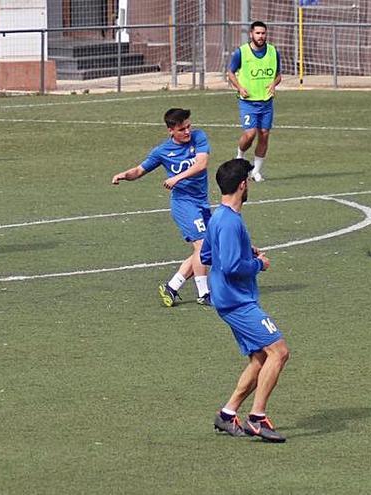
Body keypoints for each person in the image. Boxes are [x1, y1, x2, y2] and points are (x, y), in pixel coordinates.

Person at [202, 158, 290, 443]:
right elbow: (229, 267)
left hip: (229, 299)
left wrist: (242, 248)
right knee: (279, 352)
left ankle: (227, 414)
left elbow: (205, 255)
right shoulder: (228, 223)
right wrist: (258, 264)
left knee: (260, 357)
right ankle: (257, 417)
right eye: (248, 180)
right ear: (242, 185)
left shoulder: (219, 217)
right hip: (237, 301)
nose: (249, 184)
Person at [112, 108, 212, 306]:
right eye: (182, 129)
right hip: (183, 204)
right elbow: (140, 170)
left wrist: (176, 177)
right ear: (170, 130)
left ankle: (172, 287)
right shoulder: (162, 152)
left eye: (188, 127)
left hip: (201, 202)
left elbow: (202, 164)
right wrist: (123, 175)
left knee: (209, 249)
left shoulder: (199, 137)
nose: (187, 132)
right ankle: (204, 293)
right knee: (202, 246)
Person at [226, 21, 281, 182]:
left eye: (263, 33)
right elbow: (230, 72)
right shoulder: (241, 52)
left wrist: (273, 83)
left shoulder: (273, 51)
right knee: (250, 134)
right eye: (258, 33)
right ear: (251, 34)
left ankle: (256, 172)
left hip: (266, 102)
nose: (261, 36)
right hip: (248, 102)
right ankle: (239, 156)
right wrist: (239, 87)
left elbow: (278, 75)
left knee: (264, 135)